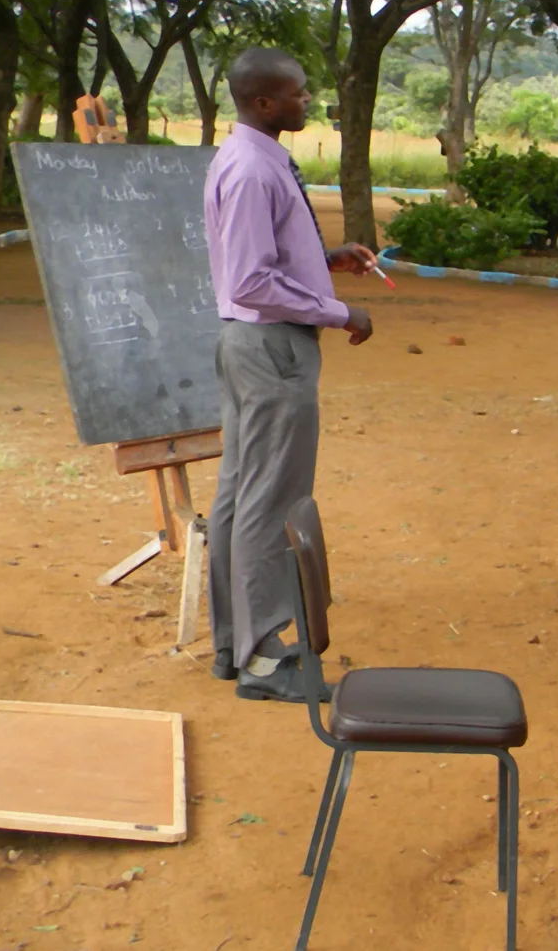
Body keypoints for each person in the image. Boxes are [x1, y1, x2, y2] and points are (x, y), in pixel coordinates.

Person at [203, 47, 376, 703]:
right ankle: (264, 656)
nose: (309, 100)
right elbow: (251, 281)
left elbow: (262, 259)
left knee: (239, 493)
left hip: (253, 344)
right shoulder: (252, 169)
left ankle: (233, 644)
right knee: (269, 501)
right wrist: (337, 310)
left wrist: (323, 259)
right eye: (299, 93)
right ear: (264, 102)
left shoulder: (253, 157)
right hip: (272, 348)